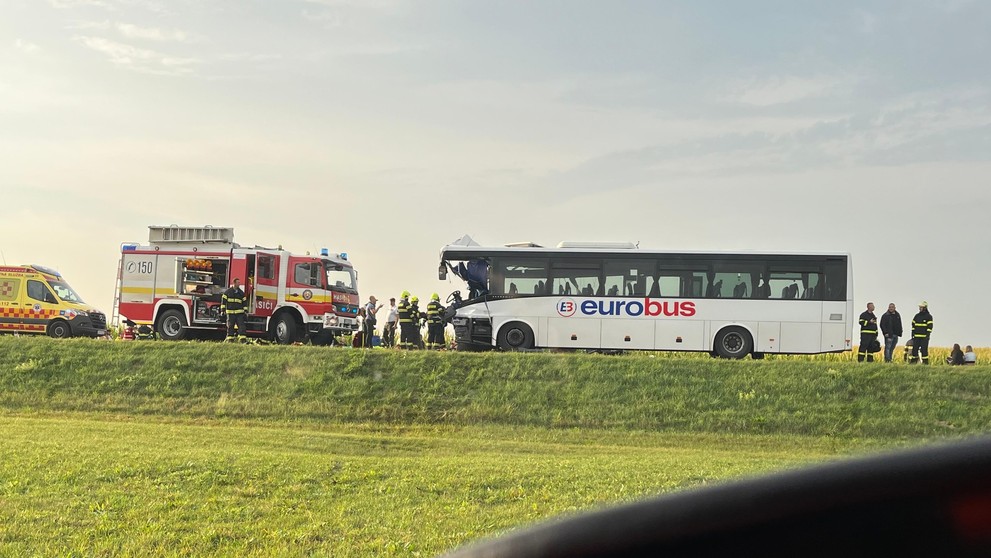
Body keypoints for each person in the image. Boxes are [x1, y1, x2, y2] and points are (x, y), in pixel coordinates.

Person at [221, 277, 247, 341]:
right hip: (230, 313)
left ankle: (242, 339)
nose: (239, 284)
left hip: (239, 313)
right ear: (234, 283)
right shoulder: (228, 292)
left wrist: (245, 311)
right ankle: (230, 339)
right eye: (238, 282)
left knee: (241, 326)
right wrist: (222, 311)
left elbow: (244, 302)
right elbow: (223, 302)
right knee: (230, 326)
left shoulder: (241, 293)